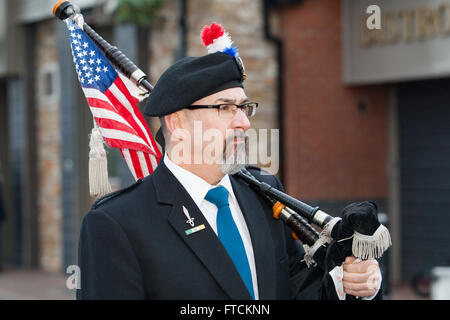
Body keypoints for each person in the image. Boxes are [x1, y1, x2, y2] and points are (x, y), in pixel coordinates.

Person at [77, 23, 381, 300]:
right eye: (225, 107)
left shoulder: (262, 194)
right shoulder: (117, 223)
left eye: (244, 107)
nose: (243, 123)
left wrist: (350, 285)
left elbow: (296, 289)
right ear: (176, 124)